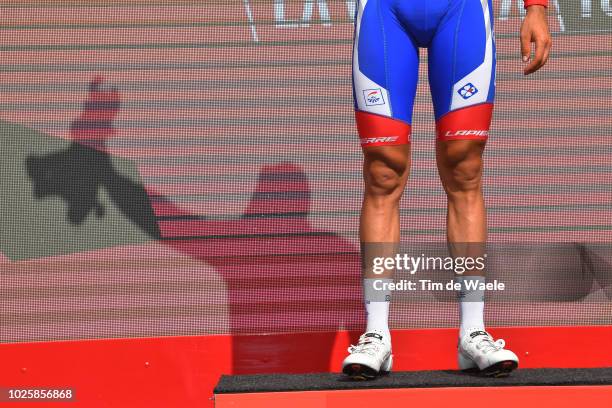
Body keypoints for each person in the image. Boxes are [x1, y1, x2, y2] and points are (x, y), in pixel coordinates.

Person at [343, 0, 551, 379]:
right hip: (384, 11)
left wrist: (535, 8)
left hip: (462, 10)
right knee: (382, 171)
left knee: (465, 167)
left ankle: (473, 330)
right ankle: (377, 333)